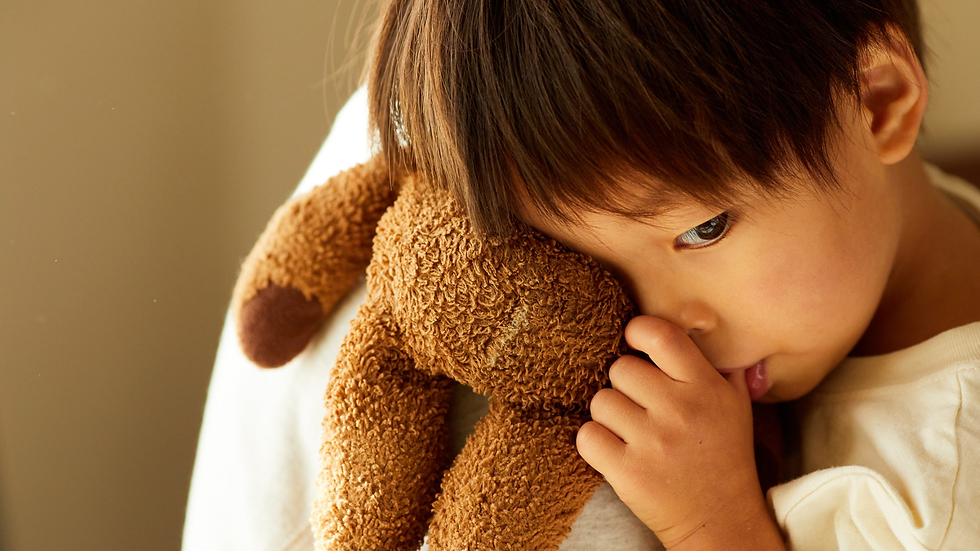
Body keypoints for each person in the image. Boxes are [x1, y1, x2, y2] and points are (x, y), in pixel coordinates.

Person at [184, 1, 980, 550]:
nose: (654, 326)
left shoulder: (946, 487)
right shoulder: (893, 238)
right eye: (592, 263)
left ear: (878, 100)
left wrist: (715, 522)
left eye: (703, 229)